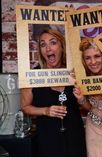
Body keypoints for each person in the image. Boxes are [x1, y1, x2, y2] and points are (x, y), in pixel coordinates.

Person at [20, 29, 87, 157]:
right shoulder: (32, 75)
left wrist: (81, 98)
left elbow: (88, 105)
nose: (48, 48)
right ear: (40, 50)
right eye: (43, 44)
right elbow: (25, 107)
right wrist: (46, 111)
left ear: (62, 46)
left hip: (74, 136)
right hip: (48, 138)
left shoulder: (74, 73)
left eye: (53, 43)